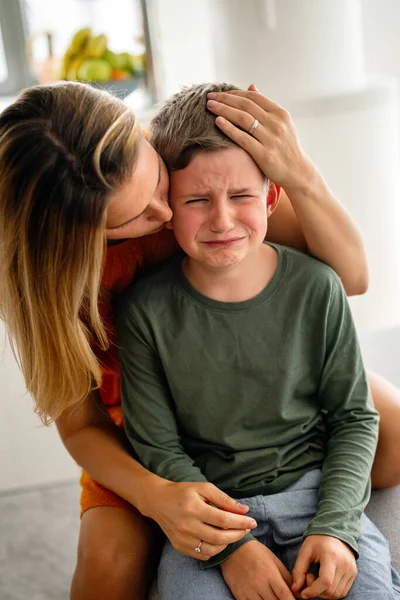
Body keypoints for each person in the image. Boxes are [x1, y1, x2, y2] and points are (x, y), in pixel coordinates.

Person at [0, 81, 399, 600]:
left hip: (264, 368)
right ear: (78, 238)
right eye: (134, 218)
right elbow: (81, 426)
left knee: (389, 434)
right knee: (108, 571)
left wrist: (298, 171)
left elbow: (349, 279)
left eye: (158, 183)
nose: (163, 216)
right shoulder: (49, 282)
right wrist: (160, 498)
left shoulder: (203, 177)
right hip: (143, 422)